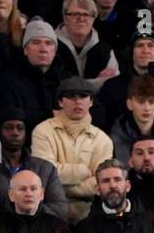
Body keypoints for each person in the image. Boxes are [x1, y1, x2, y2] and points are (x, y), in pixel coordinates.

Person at [31, 76, 114, 222]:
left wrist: (60, 185)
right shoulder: (43, 131)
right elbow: (44, 175)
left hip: (91, 215)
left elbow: (101, 183)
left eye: (83, 96)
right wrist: (82, 172)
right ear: (60, 102)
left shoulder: (103, 140)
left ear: (91, 101)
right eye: (71, 96)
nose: (77, 101)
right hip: (51, 212)